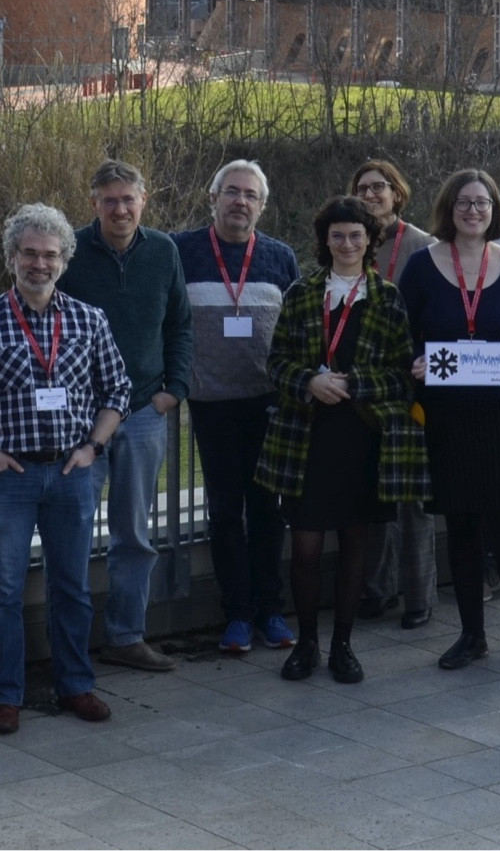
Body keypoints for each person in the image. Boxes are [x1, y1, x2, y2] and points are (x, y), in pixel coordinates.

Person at [0, 204, 131, 736]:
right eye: (29, 253)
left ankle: (75, 685)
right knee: (3, 590)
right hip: (10, 479)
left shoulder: (90, 320)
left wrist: (93, 447)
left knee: (72, 586)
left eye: (49, 254)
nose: (39, 264)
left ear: (64, 261)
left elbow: (118, 391)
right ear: (12, 258)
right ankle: (4, 695)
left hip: (72, 474)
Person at [257, 196, 428, 683]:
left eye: (356, 235)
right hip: (306, 436)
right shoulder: (301, 293)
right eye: (338, 235)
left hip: (363, 436)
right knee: (306, 548)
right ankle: (306, 644)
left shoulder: (388, 297)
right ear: (324, 240)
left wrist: (352, 384)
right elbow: (277, 361)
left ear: (370, 241)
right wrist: (309, 381)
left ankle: (343, 646)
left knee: (356, 545)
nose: (347, 243)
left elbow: (402, 375)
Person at [399, 169, 500, 677]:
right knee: (460, 524)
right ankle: (472, 635)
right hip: (448, 417)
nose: (473, 211)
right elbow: (404, 340)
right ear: (449, 207)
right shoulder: (421, 267)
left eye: (482, 203)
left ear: (494, 210)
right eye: (464, 202)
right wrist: (415, 363)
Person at [57, 160, 193, 674]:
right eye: (109, 200)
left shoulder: (163, 251)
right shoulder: (68, 251)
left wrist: (173, 389)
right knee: (70, 530)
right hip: (80, 419)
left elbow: (180, 324)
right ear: (93, 203)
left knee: (134, 533)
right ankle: (65, 647)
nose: (119, 208)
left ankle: (125, 636)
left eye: (128, 199)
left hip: (141, 413)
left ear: (144, 200)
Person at [173, 160, 302, 654]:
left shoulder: (279, 256)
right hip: (211, 403)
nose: (240, 202)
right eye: (231, 192)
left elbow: (296, 330)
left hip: (269, 402)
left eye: (250, 195)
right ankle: (237, 615)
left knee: (268, 510)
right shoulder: (183, 251)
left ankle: (271, 609)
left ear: (262, 205)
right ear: (213, 198)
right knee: (226, 510)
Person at [350, 159, 437, 629]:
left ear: (396, 193)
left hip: (412, 385)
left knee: (412, 498)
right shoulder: (349, 243)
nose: (370, 195)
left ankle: (419, 597)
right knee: (371, 495)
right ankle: (377, 589)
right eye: (362, 188)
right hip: (364, 387)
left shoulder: (423, 247)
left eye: (378, 187)